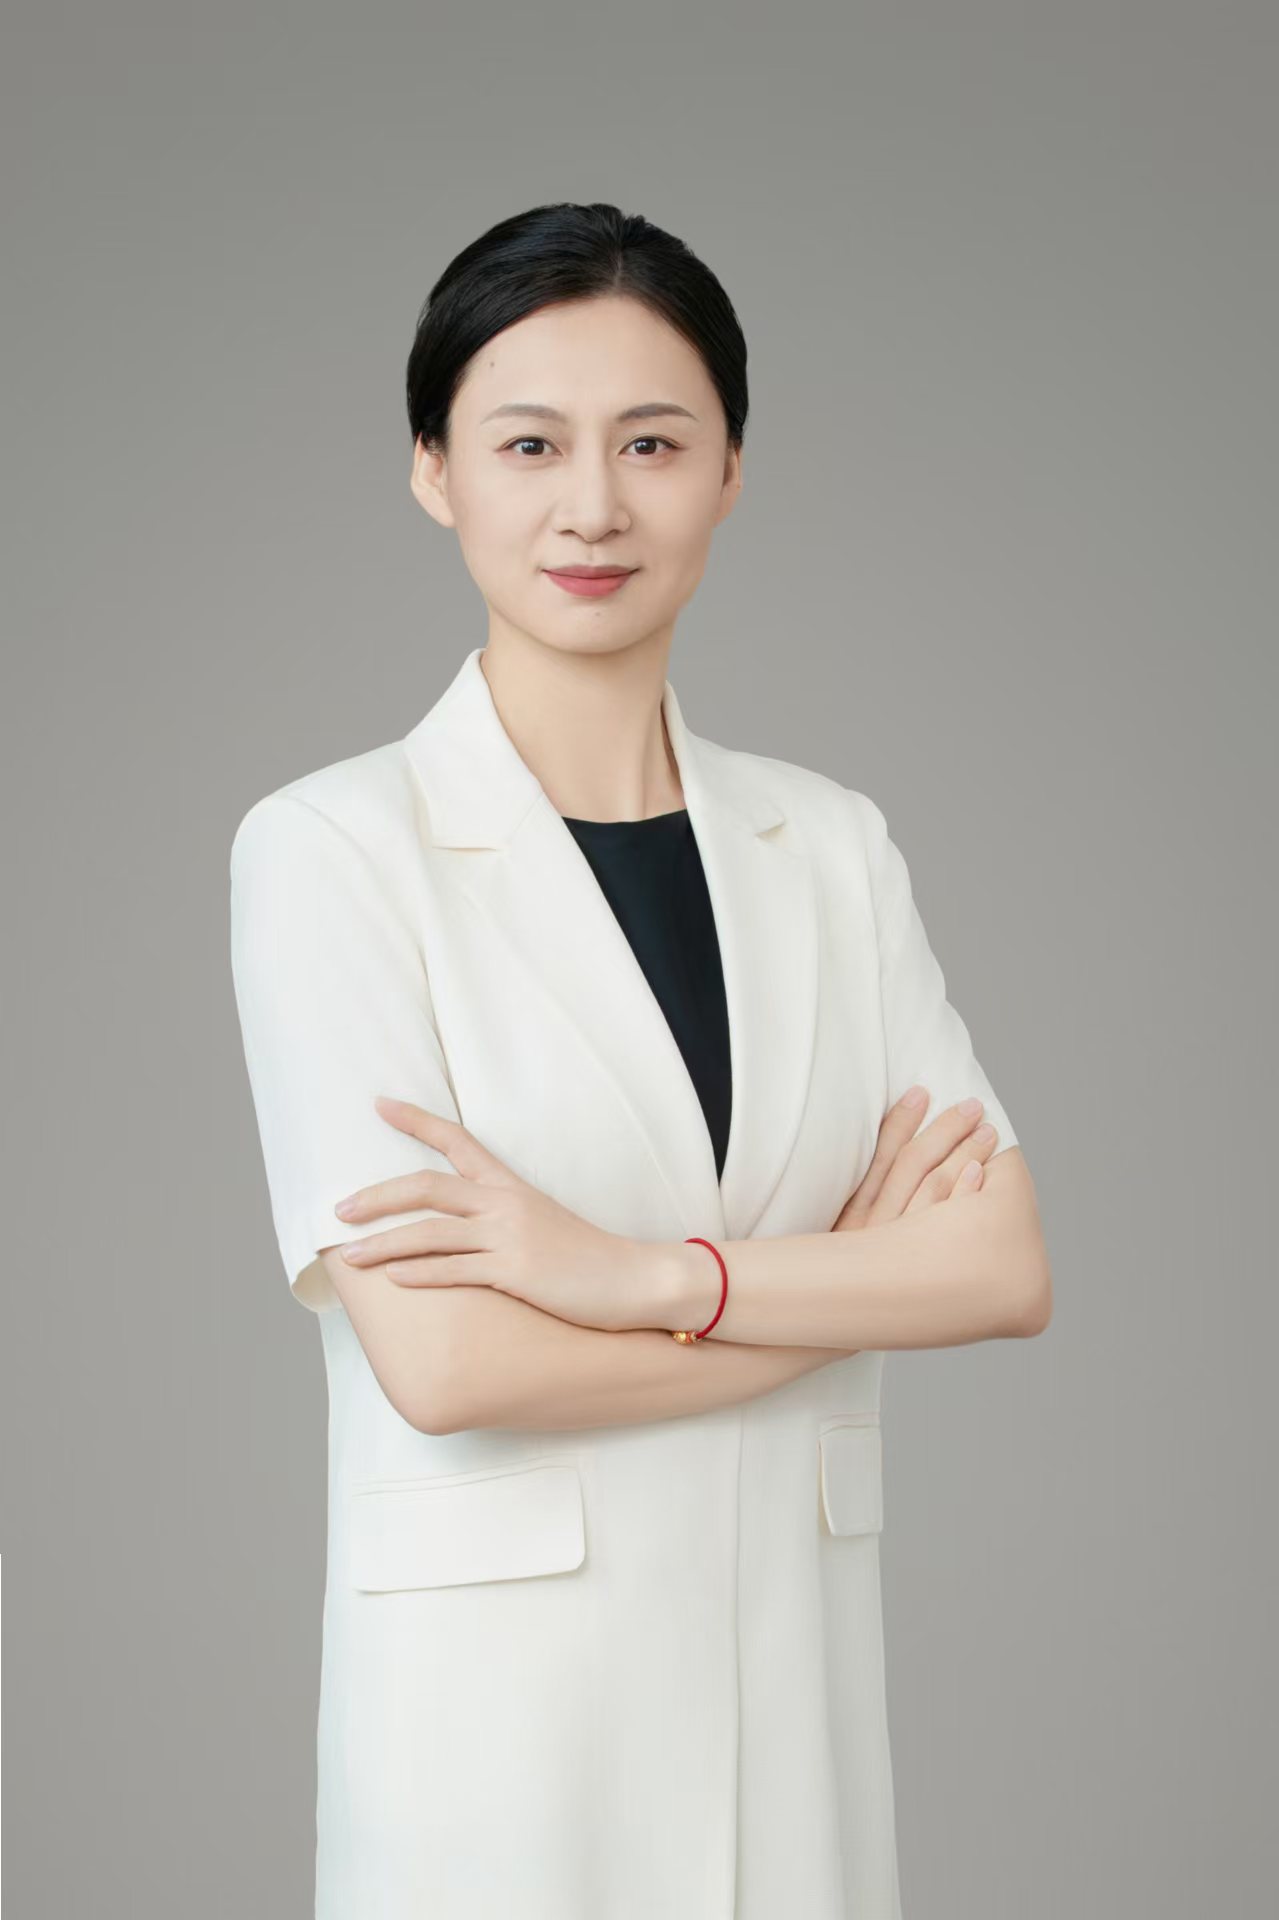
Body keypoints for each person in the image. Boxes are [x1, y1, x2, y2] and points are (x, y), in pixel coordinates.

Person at [229, 200, 1051, 1920]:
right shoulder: (332, 849)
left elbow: (997, 1266)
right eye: (529, 443)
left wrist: (635, 1278)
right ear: (435, 471)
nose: (594, 505)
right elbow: (449, 1362)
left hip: (793, 1697)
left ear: (732, 470)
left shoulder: (832, 846)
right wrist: (831, 1297)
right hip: (501, 1739)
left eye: (653, 443)